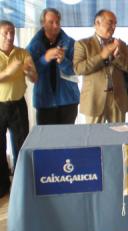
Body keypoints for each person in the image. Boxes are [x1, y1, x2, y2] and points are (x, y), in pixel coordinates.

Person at [73, 9, 128, 124]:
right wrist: (102, 56)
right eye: (110, 22)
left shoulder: (120, 44)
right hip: (94, 100)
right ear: (97, 23)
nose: (113, 26)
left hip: (117, 100)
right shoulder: (83, 44)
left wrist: (117, 57)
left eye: (115, 23)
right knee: (93, 139)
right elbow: (78, 69)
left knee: (118, 136)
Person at [0, 20, 37, 198]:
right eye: (5, 33)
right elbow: (5, 75)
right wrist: (9, 71)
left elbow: (34, 78)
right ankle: (2, 187)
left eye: (12, 32)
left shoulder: (22, 53)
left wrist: (30, 71)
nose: (10, 36)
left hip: (18, 104)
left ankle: (21, 184)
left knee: (21, 145)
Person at [26, 8, 80, 125]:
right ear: (43, 23)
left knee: (67, 138)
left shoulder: (70, 43)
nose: (55, 25)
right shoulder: (33, 46)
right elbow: (30, 72)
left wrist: (63, 61)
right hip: (44, 101)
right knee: (46, 140)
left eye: (58, 22)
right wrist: (45, 58)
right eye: (51, 22)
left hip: (68, 100)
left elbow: (78, 69)